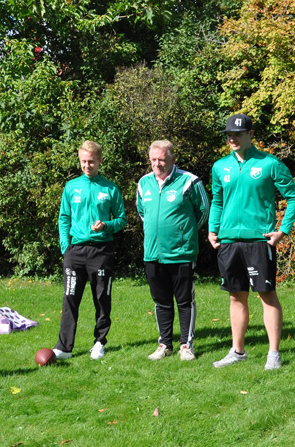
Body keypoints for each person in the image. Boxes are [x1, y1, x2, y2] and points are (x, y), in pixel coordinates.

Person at [207, 113, 295, 370]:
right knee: (236, 297)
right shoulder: (220, 167)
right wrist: (212, 229)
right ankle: (238, 351)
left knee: (266, 295)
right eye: (229, 135)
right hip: (228, 242)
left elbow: (294, 197)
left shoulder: (270, 164)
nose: (233, 139)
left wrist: (282, 230)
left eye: (238, 134)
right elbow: (217, 200)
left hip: (259, 241)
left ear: (251, 135)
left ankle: (273, 354)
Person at [136, 140, 210, 360]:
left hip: (181, 253)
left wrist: (183, 234)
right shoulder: (144, 183)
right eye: (153, 160)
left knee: (184, 300)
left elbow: (203, 211)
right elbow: (143, 213)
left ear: (173, 159)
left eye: (162, 159)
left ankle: (186, 346)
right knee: (161, 301)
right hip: (152, 253)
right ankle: (164, 344)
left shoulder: (190, 181)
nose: (157, 164)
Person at [53, 141, 126, 360]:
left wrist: (106, 225)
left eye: (91, 161)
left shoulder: (111, 188)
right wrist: (66, 247)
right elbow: (64, 218)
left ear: (100, 161)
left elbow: (121, 220)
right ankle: (65, 347)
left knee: (102, 298)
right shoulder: (71, 186)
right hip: (75, 252)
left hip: (101, 251)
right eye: (83, 161)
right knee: (70, 298)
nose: (87, 165)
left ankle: (99, 342)